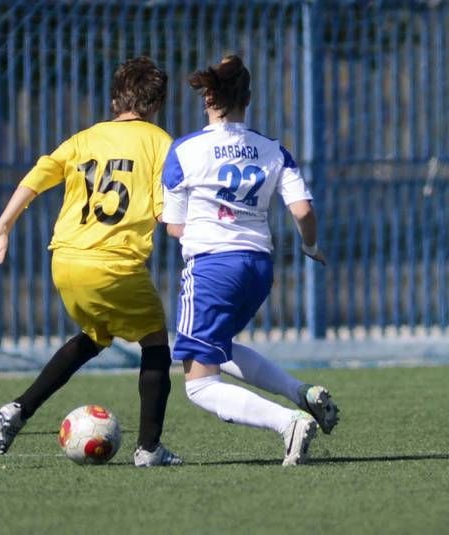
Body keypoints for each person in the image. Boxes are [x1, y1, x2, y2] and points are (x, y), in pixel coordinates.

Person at [0, 57, 182, 467]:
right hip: (115, 265)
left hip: (66, 261)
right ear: (157, 102)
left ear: (114, 102)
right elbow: (165, 213)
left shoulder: (84, 138)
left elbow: (37, 177)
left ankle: (17, 410)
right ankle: (148, 450)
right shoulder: (162, 144)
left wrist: (3, 226)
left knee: (93, 336)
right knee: (156, 343)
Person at [162, 55, 338, 466]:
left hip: (211, 268)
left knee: (199, 385)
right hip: (258, 267)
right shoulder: (274, 150)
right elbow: (303, 212)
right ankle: (302, 394)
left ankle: (287, 422)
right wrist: (310, 248)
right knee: (218, 346)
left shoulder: (185, 150)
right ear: (250, 98)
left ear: (208, 96)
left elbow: (173, 225)